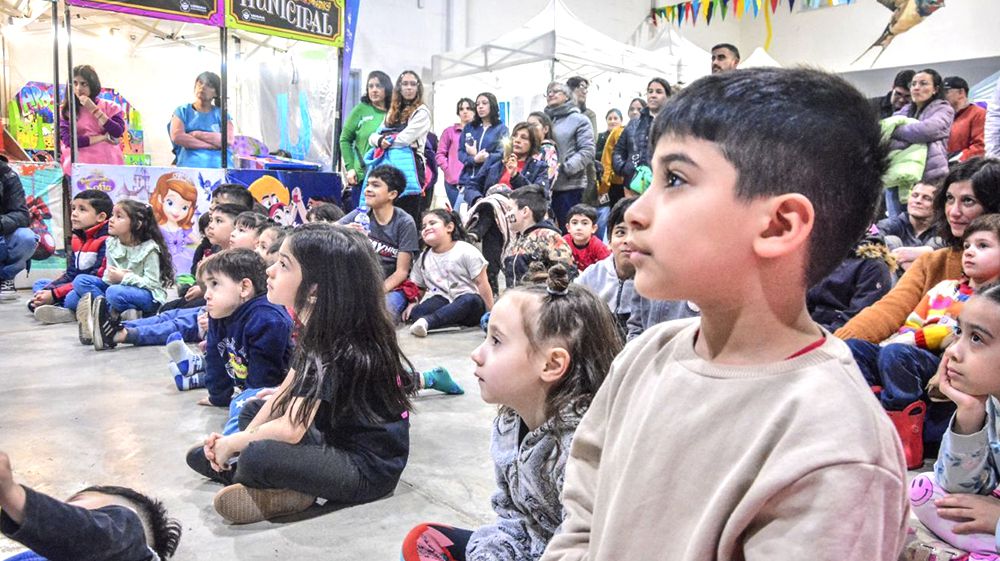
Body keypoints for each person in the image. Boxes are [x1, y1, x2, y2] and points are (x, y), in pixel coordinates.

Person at [541, 68, 908, 561]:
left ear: (779, 225)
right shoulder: (645, 355)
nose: (634, 212)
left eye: (675, 179)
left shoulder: (834, 445)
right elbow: (583, 512)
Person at [186, 223, 413, 525]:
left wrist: (235, 445)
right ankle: (284, 487)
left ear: (315, 289)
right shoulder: (316, 326)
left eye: (283, 265)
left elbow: (292, 428)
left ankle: (276, 483)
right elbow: (283, 391)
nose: (269, 270)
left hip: (367, 469)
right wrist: (238, 439)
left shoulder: (336, 342)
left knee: (258, 456)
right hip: (330, 438)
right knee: (254, 408)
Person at [400, 265, 620, 561]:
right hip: (530, 546)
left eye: (496, 341)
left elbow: (594, 548)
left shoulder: (581, 450)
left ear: (552, 364)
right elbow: (512, 513)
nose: (476, 354)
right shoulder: (510, 420)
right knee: (425, 541)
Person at [845, 214, 1000, 467]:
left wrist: (911, 340)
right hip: (907, 348)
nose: (970, 252)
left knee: (896, 354)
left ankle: (905, 435)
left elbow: (948, 335)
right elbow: (914, 321)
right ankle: (866, 418)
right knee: (855, 349)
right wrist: (906, 337)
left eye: (983, 246)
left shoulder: (991, 302)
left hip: (940, 359)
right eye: (968, 246)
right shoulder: (944, 288)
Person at [838, 158, 1000, 344]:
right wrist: (837, 347)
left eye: (968, 201)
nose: (954, 212)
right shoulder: (933, 262)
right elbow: (888, 310)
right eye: (949, 199)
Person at [907, 283, 1000, 559]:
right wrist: (969, 414)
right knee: (924, 492)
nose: (953, 352)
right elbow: (957, 487)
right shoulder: (991, 402)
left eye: (977, 339)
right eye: (959, 332)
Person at [0, 451, 181, 561]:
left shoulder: (129, 545)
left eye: (76, 504)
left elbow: (112, 538)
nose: (62, 508)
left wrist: (12, 494)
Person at [195, 249, 293, 436]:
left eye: (214, 284)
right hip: (247, 384)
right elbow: (215, 359)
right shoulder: (219, 314)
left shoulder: (266, 318)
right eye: (206, 287)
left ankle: (230, 448)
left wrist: (244, 398)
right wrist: (217, 396)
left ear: (244, 288)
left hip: (274, 389)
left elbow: (264, 378)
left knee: (242, 409)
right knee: (239, 403)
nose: (206, 295)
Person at [71, 200, 173, 350]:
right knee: (79, 283)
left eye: (119, 216)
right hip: (118, 288)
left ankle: (102, 319)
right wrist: (112, 277)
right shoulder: (111, 243)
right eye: (112, 215)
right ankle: (106, 315)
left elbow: (152, 284)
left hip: (147, 296)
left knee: (113, 292)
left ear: (137, 224)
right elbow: (108, 274)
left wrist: (124, 277)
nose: (111, 220)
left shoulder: (150, 249)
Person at [339, 166, 420, 323]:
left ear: (392, 194)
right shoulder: (360, 213)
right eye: (368, 184)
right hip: (358, 284)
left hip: (390, 288)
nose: (368, 189)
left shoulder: (404, 222)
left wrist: (374, 294)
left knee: (378, 319)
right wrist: (344, 229)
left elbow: (401, 272)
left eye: (375, 185)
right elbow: (326, 230)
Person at [404, 209, 493, 337]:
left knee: (469, 299)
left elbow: (482, 283)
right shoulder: (423, 258)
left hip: (469, 305)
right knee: (417, 312)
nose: (427, 228)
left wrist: (491, 313)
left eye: (432, 223)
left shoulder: (466, 251)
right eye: (423, 226)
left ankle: (429, 322)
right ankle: (446, 317)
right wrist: (413, 303)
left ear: (449, 227)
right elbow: (419, 287)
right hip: (444, 301)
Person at [29, 189, 112, 323]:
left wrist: (55, 294)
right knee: (40, 284)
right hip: (75, 284)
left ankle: (63, 307)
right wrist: (47, 291)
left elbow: (97, 277)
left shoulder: (107, 240)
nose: (74, 213)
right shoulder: (77, 238)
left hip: (94, 287)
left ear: (101, 217)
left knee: (72, 297)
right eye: (73, 208)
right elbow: (70, 274)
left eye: (82, 209)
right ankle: (55, 306)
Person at [368, 70, 432, 226]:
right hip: (386, 168)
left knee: (406, 219)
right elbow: (372, 137)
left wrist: (384, 139)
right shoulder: (392, 112)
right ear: (399, 87)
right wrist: (380, 139)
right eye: (405, 84)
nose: (409, 88)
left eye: (412, 84)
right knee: (380, 217)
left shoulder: (422, 112)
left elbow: (404, 139)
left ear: (418, 88)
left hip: (409, 170)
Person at [806, 228, 895, 333]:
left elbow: (857, 319)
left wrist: (814, 333)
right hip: (808, 327)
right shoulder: (822, 252)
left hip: (837, 337)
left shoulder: (874, 266)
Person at [575, 197, 636, 335]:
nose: (628, 240)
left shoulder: (656, 282)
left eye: (637, 232)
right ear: (609, 240)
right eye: (620, 232)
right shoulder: (592, 275)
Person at [543, 82, 594, 231]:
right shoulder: (544, 120)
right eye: (548, 92)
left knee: (568, 232)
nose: (551, 94)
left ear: (567, 96)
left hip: (568, 186)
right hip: (544, 186)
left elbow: (587, 150)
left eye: (555, 91)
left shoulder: (579, 120)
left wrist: (566, 168)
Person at [503, 185, 576, 288]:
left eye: (510, 209)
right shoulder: (518, 239)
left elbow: (566, 274)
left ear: (525, 211)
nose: (506, 215)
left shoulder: (549, 237)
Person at [892, 69, 955, 186]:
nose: (916, 87)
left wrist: (896, 131)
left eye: (923, 83)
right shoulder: (904, 110)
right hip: (899, 174)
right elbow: (886, 134)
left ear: (935, 89)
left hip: (931, 176)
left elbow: (927, 130)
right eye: (913, 84)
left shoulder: (944, 109)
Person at [58, 65, 125, 175]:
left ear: (92, 85)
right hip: (78, 170)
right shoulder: (65, 110)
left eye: (84, 84)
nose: (79, 88)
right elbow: (69, 141)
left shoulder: (111, 106)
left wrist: (93, 109)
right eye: (75, 83)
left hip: (109, 168)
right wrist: (103, 137)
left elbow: (117, 132)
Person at [340, 70, 392, 209]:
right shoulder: (361, 110)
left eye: (378, 86)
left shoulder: (394, 111)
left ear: (387, 89)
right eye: (371, 86)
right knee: (361, 219)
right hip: (363, 175)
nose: (374, 90)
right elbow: (344, 139)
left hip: (388, 176)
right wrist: (350, 168)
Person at [613, 78, 670, 195]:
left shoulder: (673, 123)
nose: (653, 95)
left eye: (658, 92)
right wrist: (625, 169)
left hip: (661, 187)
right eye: (650, 91)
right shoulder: (634, 123)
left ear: (668, 97)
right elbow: (618, 150)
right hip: (632, 185)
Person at [170, 71, 233, 169]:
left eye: (209, 85)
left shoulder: (222, 114)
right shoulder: (182, 111)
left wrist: (196, 134)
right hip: (189, 166)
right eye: (200, 83)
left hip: (219, 167)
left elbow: (228, 140)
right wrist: (211, 145)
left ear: (216, 93)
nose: (203, 87)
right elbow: (178, 137)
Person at [877, 181, 943, 276]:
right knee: (891, 241)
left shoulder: (943, 229)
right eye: (914, 195)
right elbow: (873, 234)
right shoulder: (894, 223)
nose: (918, 201)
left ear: (938, 205)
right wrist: (900, 259)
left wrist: (927, 251)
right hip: (892, 283)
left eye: (927, 198)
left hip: (928, 283)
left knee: (937, 242)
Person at [457, 92, 509, 205]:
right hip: (467, 180)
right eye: (477, 104)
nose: (480, 106)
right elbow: (460, 153)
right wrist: (474, 159)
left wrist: (487, 158)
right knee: (459, 216)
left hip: (487, 182)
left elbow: (502, 153)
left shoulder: (501, 129)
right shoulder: (469, 127)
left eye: (484, 103)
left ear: (492, 105)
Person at [149, 172, 199, 277]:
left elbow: (196, 241)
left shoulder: (182, 228)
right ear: (160, 199)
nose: (176, 211)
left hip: (183, 260)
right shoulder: (157, 227)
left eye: (184, 207)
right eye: (170, 203)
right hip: (162, 260)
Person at [479, 121, 549, 193]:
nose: (517, 140)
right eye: (515, 136)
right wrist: (478, 199)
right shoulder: (494, 160)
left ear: (532, 143)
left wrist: (515, 176)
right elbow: (473, 185)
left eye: (524, 137)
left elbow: (541, 195)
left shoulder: (539, 168)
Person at [0, 162, 37, 301]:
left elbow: (22, 216)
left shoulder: (7, 175)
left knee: (26, 238)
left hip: (3, 233)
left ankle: (6, 278)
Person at [437, 98, 475, 208]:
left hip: (473, 182)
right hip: (453, 183)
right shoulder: (449, 132)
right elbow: (440, 154)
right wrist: (448, 170)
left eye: (468, 108)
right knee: (458, 214)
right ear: (458, 112)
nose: (465, 111)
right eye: (461, 109)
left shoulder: (479, 132)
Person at [944, 76, 986, 162]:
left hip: (965, 170)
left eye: (946, 92)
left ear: (961, 92)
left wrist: (954, 161)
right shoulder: (945, 116)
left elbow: (980, 147)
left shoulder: (978, 113)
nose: (941, 96)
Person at [598, 109, 626, 237]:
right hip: (607, 182)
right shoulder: (600, 137)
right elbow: (603, 159)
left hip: (626, 181)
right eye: (610, 118)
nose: (613, 121)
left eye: (616, 118)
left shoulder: (624, 134)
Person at [563, 204, 609, 272]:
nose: (579, 228)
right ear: (568, 227)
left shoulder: (599, 247)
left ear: (593, 228)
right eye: (574, 223)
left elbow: (609, 269)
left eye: (584, 223)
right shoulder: (563, 242)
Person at [526, 111, 560, 197]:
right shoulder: (529, 149)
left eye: (534, 125)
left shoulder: (548, 149)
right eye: (527, 125)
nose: (530, 128)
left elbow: (549, 177)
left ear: (545, 129)